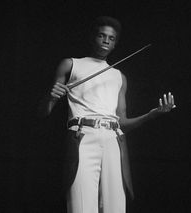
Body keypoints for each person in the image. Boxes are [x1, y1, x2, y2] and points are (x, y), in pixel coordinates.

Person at [40, 16, 176, 213]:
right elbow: (43, 112)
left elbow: (122, 122)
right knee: (81, 208)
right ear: (93, 38)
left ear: (115, 44)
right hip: (82, 136)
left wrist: (151, 115)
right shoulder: (71, 65)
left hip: (113, 140)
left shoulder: (119, 76)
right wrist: (51, 97)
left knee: (115, 208)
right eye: (101, 35)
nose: (106, 40)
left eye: (111, 38)